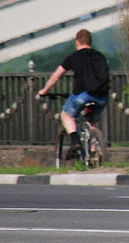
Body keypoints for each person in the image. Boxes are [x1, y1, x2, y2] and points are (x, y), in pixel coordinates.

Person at [38, 28, 110, 159]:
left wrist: (44, 90)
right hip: (102, 96)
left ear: (77, 42)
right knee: (92, 122)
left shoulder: (74, 57)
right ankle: (94, 153)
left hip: (83, 95)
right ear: (90, 42)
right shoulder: (100, 56)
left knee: (66, 115)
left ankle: (75, 141)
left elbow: (55, 77)